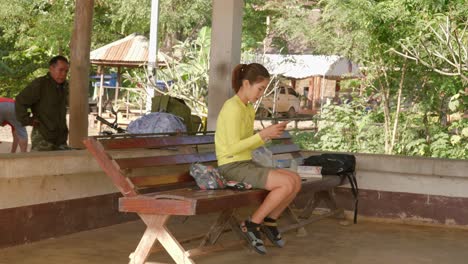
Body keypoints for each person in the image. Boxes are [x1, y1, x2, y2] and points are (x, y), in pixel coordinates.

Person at [215, 63, 301, 255]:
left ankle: (270, 222)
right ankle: (252, 224)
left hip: (245, 163)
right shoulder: (232, 108)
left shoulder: (247, 108)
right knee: (285, 184)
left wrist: (267, 135)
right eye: (260, 88)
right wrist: (262, 135)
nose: (261, 94)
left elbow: (246, 143)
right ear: (246, 84)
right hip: (231, 166)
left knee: (295, 180)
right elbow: (231, 148)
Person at [15, 55, 70, 151]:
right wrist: (28, 120)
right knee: (40, 164)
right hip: (43, 137)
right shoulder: (40, 84)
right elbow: (20, 100)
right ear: (51, 68)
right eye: (60, 70)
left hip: (60, 138)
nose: (63, 74)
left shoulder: (65, 86)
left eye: (66, 71)